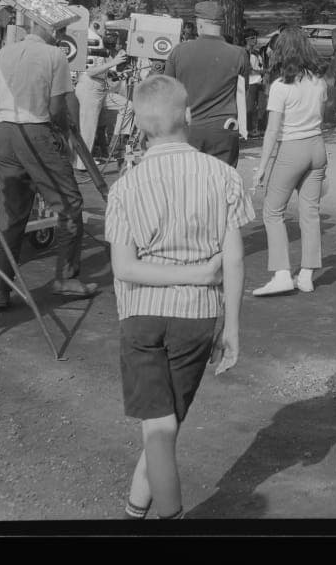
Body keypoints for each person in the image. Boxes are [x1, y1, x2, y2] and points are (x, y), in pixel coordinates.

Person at [105, 74, 254, 521]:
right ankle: (156, 515)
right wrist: (232, 329)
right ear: (188, 115)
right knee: (166, 427)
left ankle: (146, 515)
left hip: (141, 316)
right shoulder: (224, 177)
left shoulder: (125, 187)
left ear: (139, 125)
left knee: (160, 428)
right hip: (196, 316)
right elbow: (234, 261)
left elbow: (123, 268)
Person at [0, 22, 99, 310]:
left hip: (2, 131)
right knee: (70, 203)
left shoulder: (4, 51)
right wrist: (64, 133)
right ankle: (65, 278)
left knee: (11, 213)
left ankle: (1, 288)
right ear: (53, 30)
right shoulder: (55, 55)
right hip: (34, 130)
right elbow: (55, 108)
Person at [253, 26, 334, 296]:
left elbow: (273, 131)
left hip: (292, 149)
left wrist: (262, 167)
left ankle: (281, 274)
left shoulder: (280, 87)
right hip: (317, 147)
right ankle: (307, 274)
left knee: (273, 212)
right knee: (309, 212)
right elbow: (320, 116)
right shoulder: (319, 82)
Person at [162, 0, 250, 166]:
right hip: (223, 128)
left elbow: (167, 93)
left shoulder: (179, 51)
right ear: (221, 24)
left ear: (199, 24)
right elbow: (242, 91)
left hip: (188, 128)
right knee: (223, 183)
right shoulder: (239, 54)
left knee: (189, 182)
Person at [73, 47, 128, 170]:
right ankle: (82, 165)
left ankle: (117, 142)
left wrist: (113, 70)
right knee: (88, 127)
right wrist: (114, 62)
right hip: (91, 88)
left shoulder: (101, 43)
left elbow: (101, 70)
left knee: (127, 106)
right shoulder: (94, 41)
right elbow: (90, 71)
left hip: (100, 88)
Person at [244, 32, 265, 137]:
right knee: (250, 108)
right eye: (252, 37)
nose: (255, 40)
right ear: (246, 39)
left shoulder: (257, 53)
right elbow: (249, 70)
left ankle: (261, 129)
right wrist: (263, 72)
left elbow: (260, 66)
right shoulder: (244, 53)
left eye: (256, 37)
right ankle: (248, 129)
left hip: (259, 82)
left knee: (262, 106)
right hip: (251, 82)